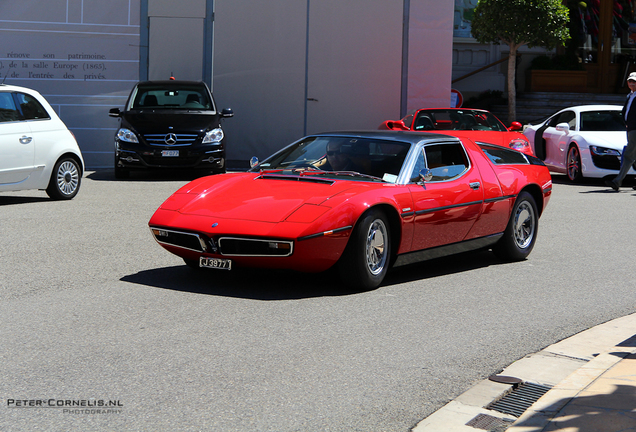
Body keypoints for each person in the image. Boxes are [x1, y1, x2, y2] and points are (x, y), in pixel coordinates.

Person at [606, 72, 636, 191]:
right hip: (630, 128)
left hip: (635, 129)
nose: (632, 83)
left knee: (628, 155)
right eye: (630, 81)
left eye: (634, 81)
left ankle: (617, 181)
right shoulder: (630, 95)